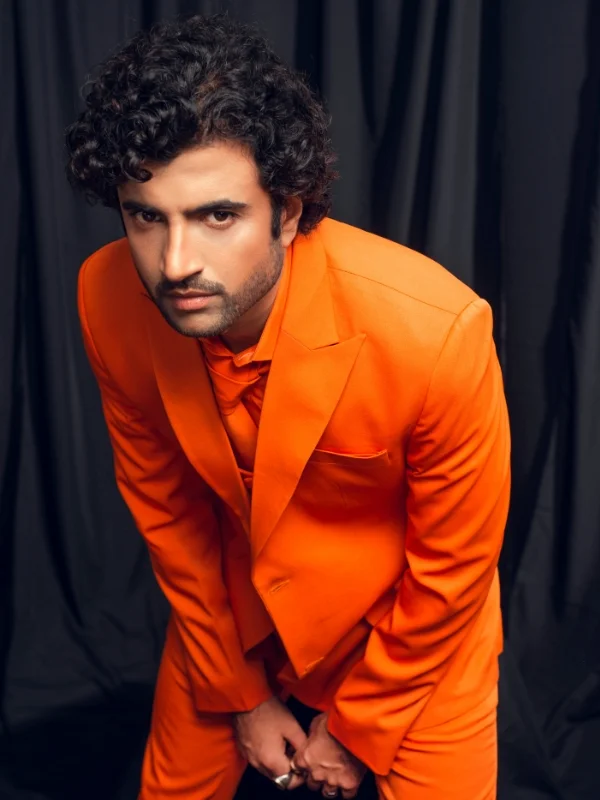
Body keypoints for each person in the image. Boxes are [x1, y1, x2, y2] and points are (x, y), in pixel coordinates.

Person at [65, 13, 510, 800]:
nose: (176, 263)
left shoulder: (437, 331)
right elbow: (169, 519)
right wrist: (241, 694)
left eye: (218, 215)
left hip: (411, 635)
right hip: (234, 624)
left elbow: (453, 568)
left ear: (291, 211)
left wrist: (358, 725)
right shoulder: (107, 297)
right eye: (147, 216)